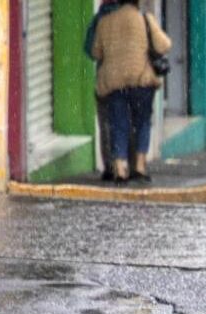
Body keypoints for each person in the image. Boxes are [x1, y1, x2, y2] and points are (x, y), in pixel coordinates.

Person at [92, 0, 171, 183]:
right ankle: (140, 166)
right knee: (142, 121)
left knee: (118, 124)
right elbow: (164, 45)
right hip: (141, 80)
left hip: (114, 82)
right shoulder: (145, 19)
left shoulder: (106, 21)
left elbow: (96, 52)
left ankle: (120, 168)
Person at [84, 0, 122, 181]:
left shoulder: (99, 19)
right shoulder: (133, 16)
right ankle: (125, 165)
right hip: (128, 79)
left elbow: (91, 50)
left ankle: (110, 166)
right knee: (126, 122)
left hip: (106, 79)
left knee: (106, 123)